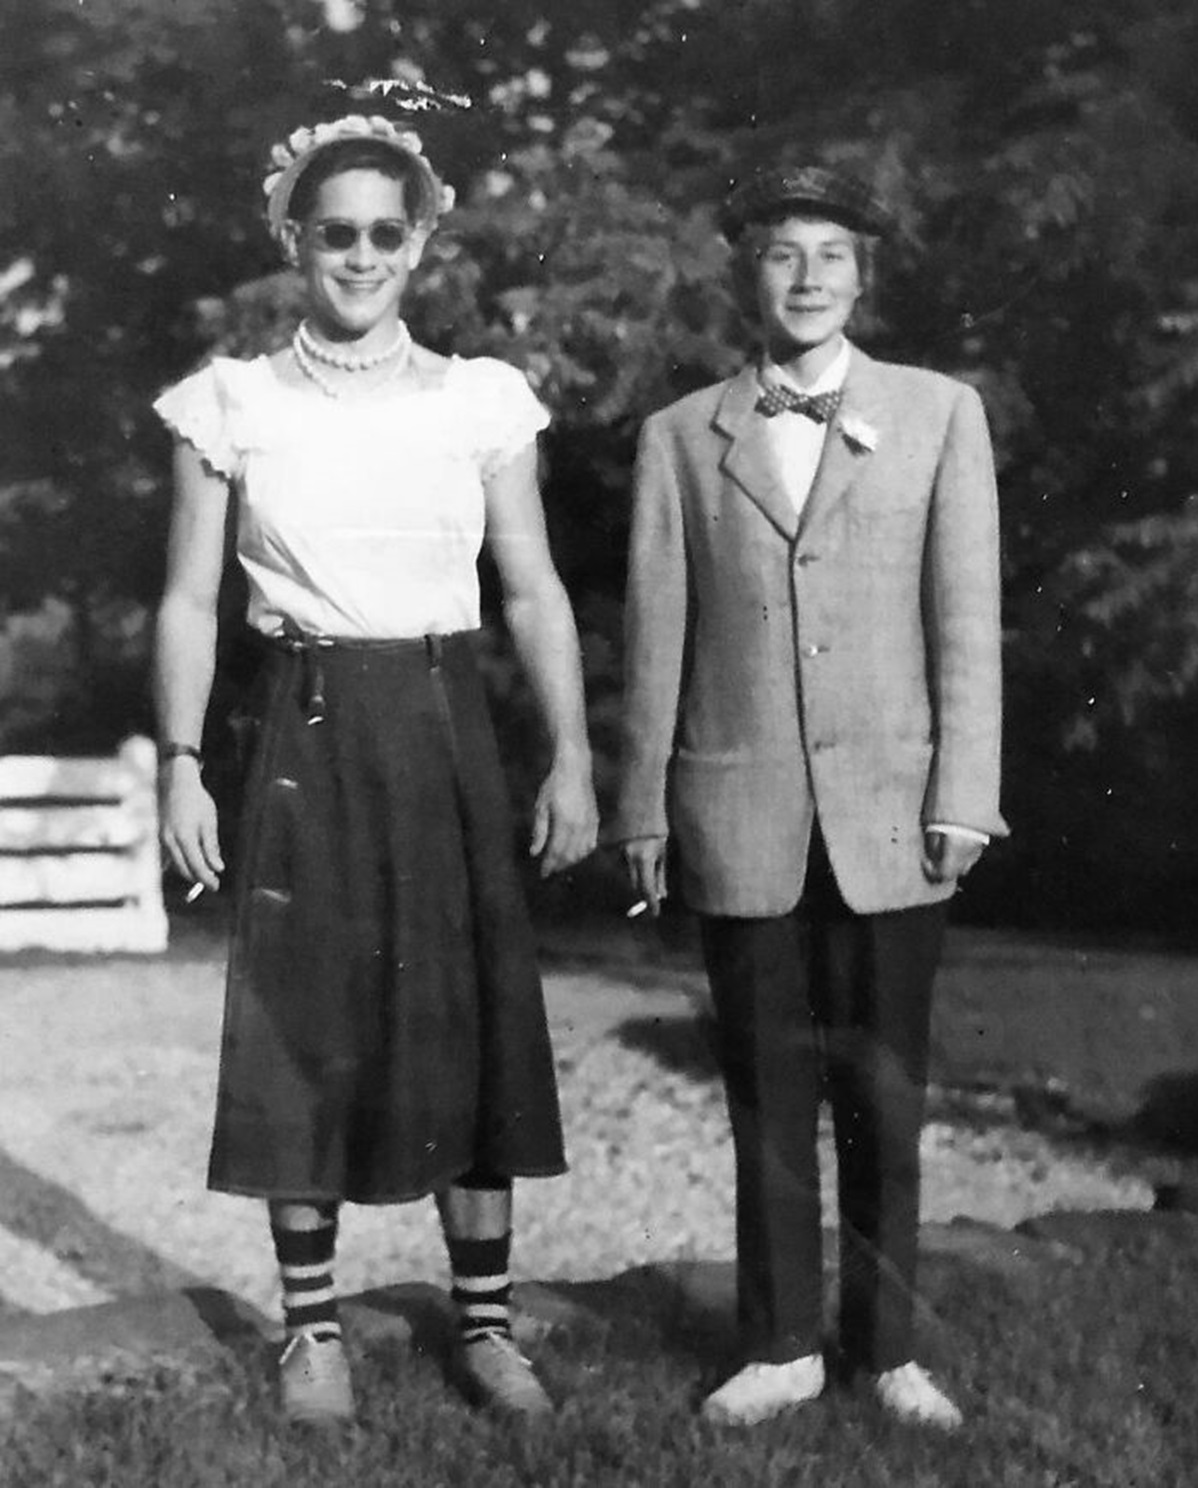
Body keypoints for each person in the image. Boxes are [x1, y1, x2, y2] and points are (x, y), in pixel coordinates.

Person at [152, 112, 598, 1426]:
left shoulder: (482, 401)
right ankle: (311, 1335)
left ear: (423, 242)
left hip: (447, 716)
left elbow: (533, 591)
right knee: (308, 1018)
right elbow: (187, 603)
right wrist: (182, 761)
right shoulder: (228, 403)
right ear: (293, 240)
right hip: (303, 723)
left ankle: (489, 1326)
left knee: (471, 1015)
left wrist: (571, 754)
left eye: (384, 233)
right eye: (333, 231)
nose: (360, 255)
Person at [613, 163, 1006, 1430]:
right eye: (784, 253)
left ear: (865, 275)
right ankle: (780, 1342)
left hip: (897, 815)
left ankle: (889, 1348)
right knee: (767, 1088)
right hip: (740, 815)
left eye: (833, 254)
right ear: (747, 274)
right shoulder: (683, 436)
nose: (809, 277)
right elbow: (656, 638)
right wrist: (642, 810)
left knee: (886, 1092)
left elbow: (966, 626)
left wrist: (967, 792)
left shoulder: (941, 415)